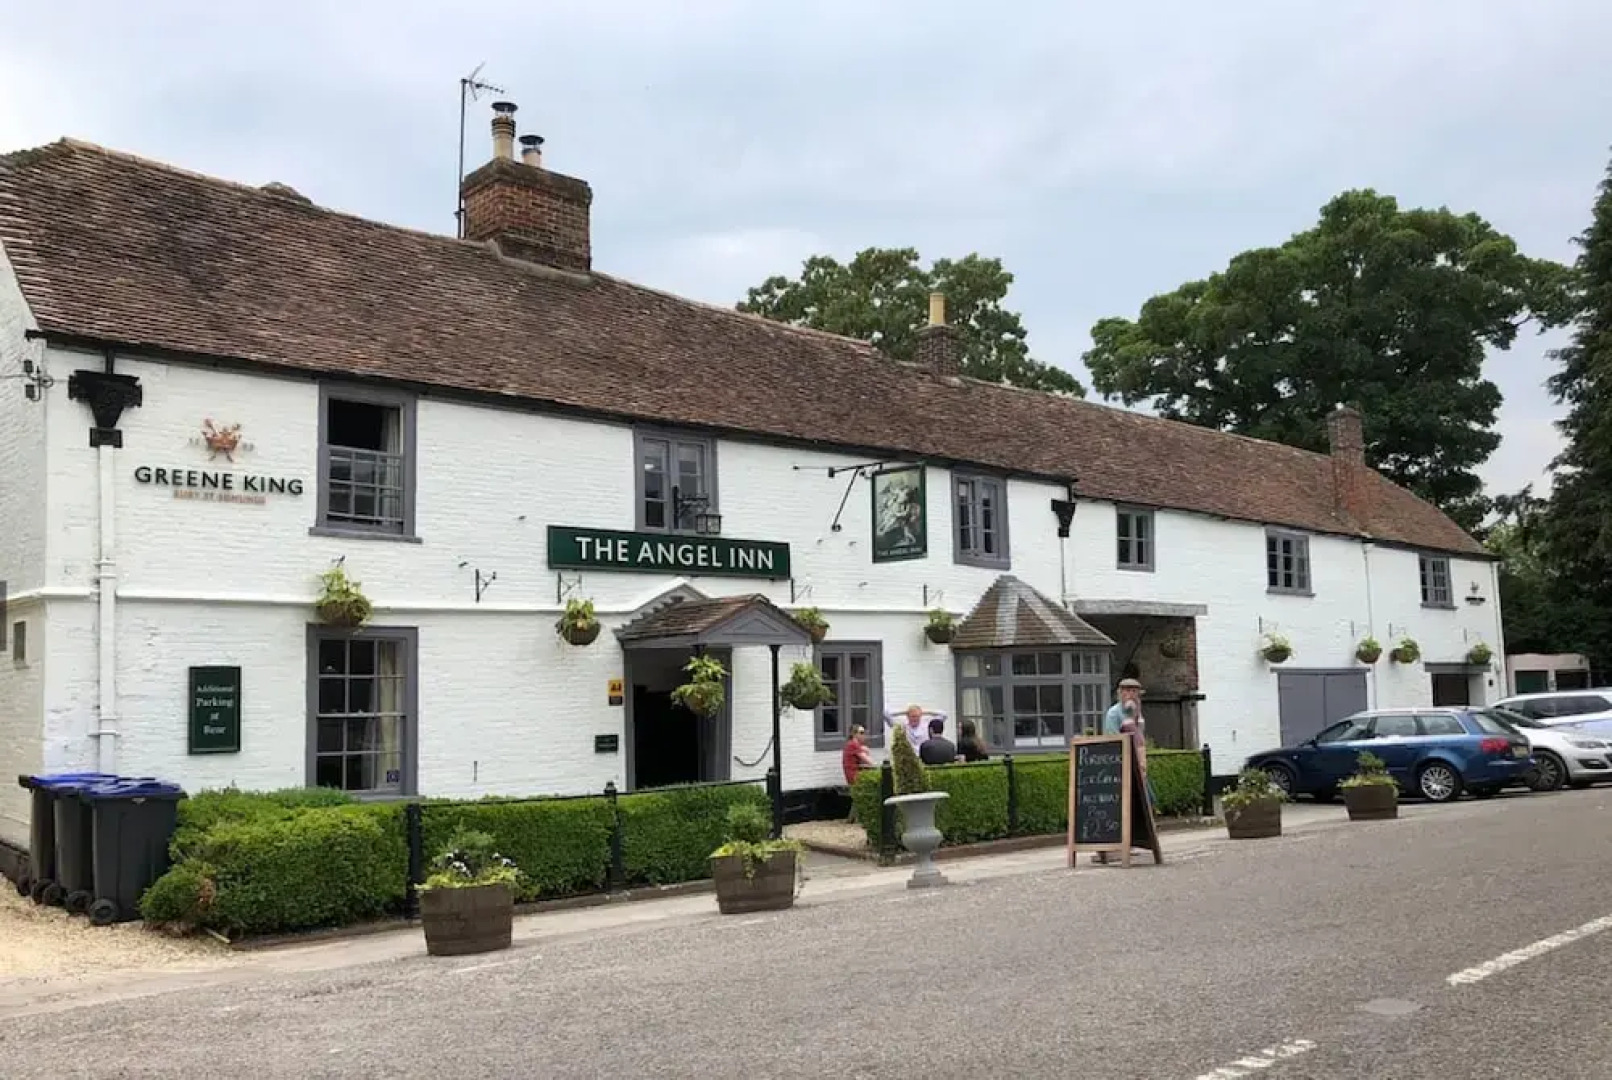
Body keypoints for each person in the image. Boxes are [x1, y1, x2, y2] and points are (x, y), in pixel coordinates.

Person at [1095, 678, 1155, 865]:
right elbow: (1113, 740)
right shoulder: (1114, 714)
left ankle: (1132, 841)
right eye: (1126, 691)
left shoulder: (1137, 713)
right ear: (1119, 693)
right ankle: (1109, 846)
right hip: (1123, 764)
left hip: (1137, 764)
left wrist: (1142, 762)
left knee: (1146, 800)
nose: (1130, 695)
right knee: (1118, 804)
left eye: (1134, 691)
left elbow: (1140, 738)